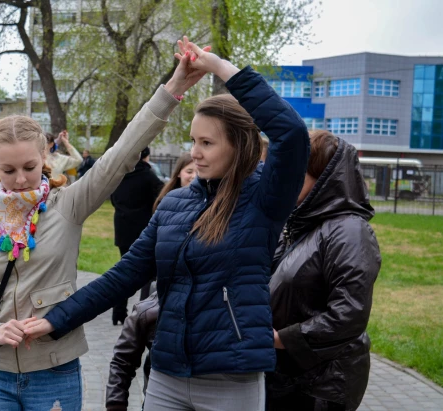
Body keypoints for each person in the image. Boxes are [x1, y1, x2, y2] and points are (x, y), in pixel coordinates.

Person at [23, 37, 310, 411]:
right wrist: (56, 320)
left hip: (231, 377)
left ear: (238, 146)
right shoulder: (175, 203)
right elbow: (125, 275)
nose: (194, 152)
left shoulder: (263, 199)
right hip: (167, 374)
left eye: (207, 142)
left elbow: (292, 134)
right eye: (193, 140)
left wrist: (219, 67)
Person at [0, 45, 207, 410]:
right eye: (8, 170)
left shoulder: (68, 204)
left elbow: (123, 152)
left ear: (45, 158)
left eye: (30, 167)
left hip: (55, 373)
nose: (20, 179)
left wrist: (174, 87)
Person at [266, 130, 381, 411]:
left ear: (324, 178)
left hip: (322, 386)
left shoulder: (349, 231)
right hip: (288, 378)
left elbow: (349, 313)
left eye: (297, 173)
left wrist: (282, 339)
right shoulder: (301, 225)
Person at [106, 153, 196, 410]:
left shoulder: (138, 178)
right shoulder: (163, 198)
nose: (193, 175)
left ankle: (119, 312)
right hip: (144, 246)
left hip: (129, 235)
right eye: (188, 170)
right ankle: (121, 312)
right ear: (179, 173)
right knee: (138, 282)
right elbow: (122, 363)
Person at [110, 146, 165, 325]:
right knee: (147, 275)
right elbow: (162, 198)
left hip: (123, 227)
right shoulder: (148, 176)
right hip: (143, 230)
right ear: (146, 157)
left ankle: (118, 311)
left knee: (124, 270)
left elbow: (113, 199)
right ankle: (144, 313)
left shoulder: (118, 176)